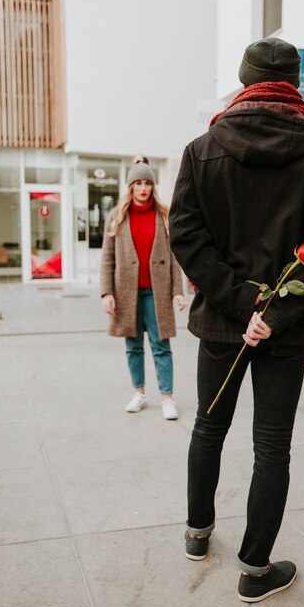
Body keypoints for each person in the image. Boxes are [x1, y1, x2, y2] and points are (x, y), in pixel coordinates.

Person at [169, 37, 304, 602]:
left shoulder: (203, 149)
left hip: (222, 320)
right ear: (294, 82)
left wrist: (239, 301)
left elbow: (187, 235)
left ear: (245, 78)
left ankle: (198, 534)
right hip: (287, 327)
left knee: (208, 426)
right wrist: (273, 309)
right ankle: (255, 569)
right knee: (272, 445)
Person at [101, 155, 186, 420]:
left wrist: (177, 290)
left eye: (146, 183)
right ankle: (139, 393)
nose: (142, 188)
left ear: (152, 186)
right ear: (130, 187)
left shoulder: (163, 215)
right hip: (128, 292)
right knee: (133, 345)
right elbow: (107, 257)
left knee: (161, 345)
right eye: (137, 183)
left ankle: (167, 398)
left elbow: (173, 256)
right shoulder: (117, 216)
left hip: (156, 292)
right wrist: (107, 293)